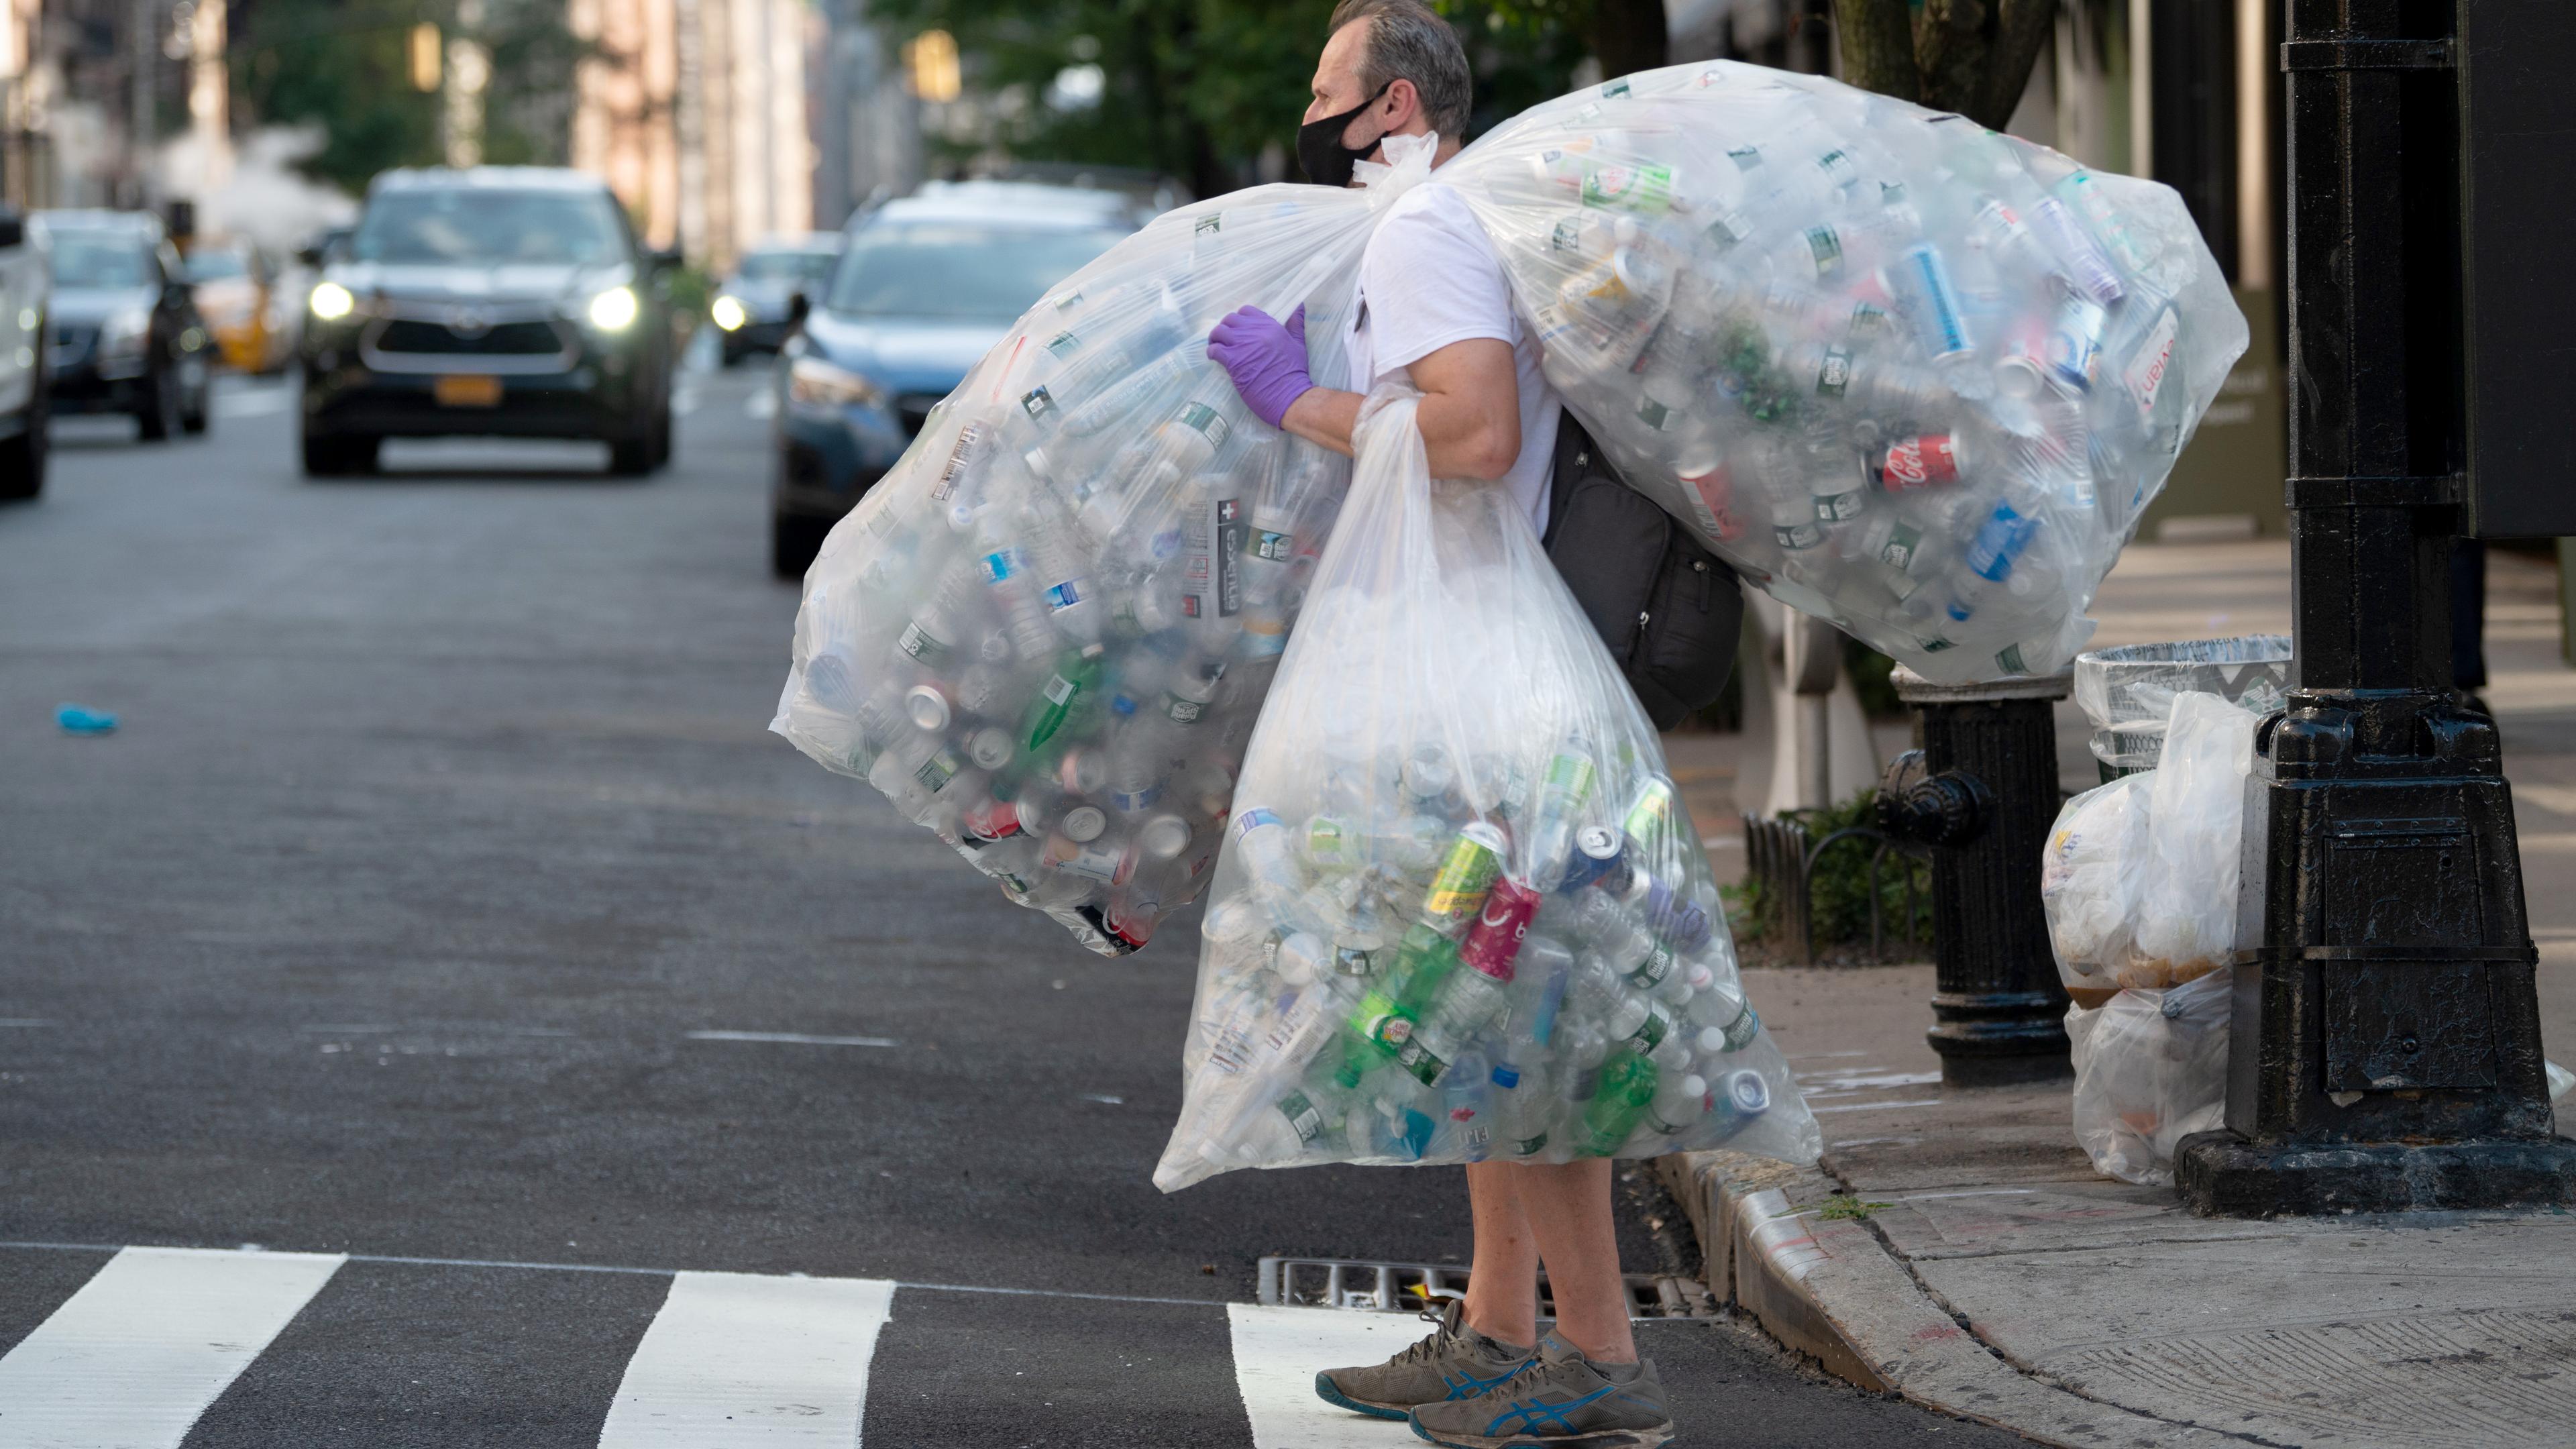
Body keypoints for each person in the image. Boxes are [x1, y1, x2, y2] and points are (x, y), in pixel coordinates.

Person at [1206, 4, 1685, 1446]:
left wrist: (1301, 404)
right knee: (1462, 1012)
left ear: (1394, 102)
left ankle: (1600, 1357)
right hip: (1485, 655)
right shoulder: (1448, 221)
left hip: (1484, 673)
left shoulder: (1425, 232)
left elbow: (1470, 439)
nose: (1313, 117)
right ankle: (1494, 1327)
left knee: (1509, 1009)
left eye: (1328, 95)